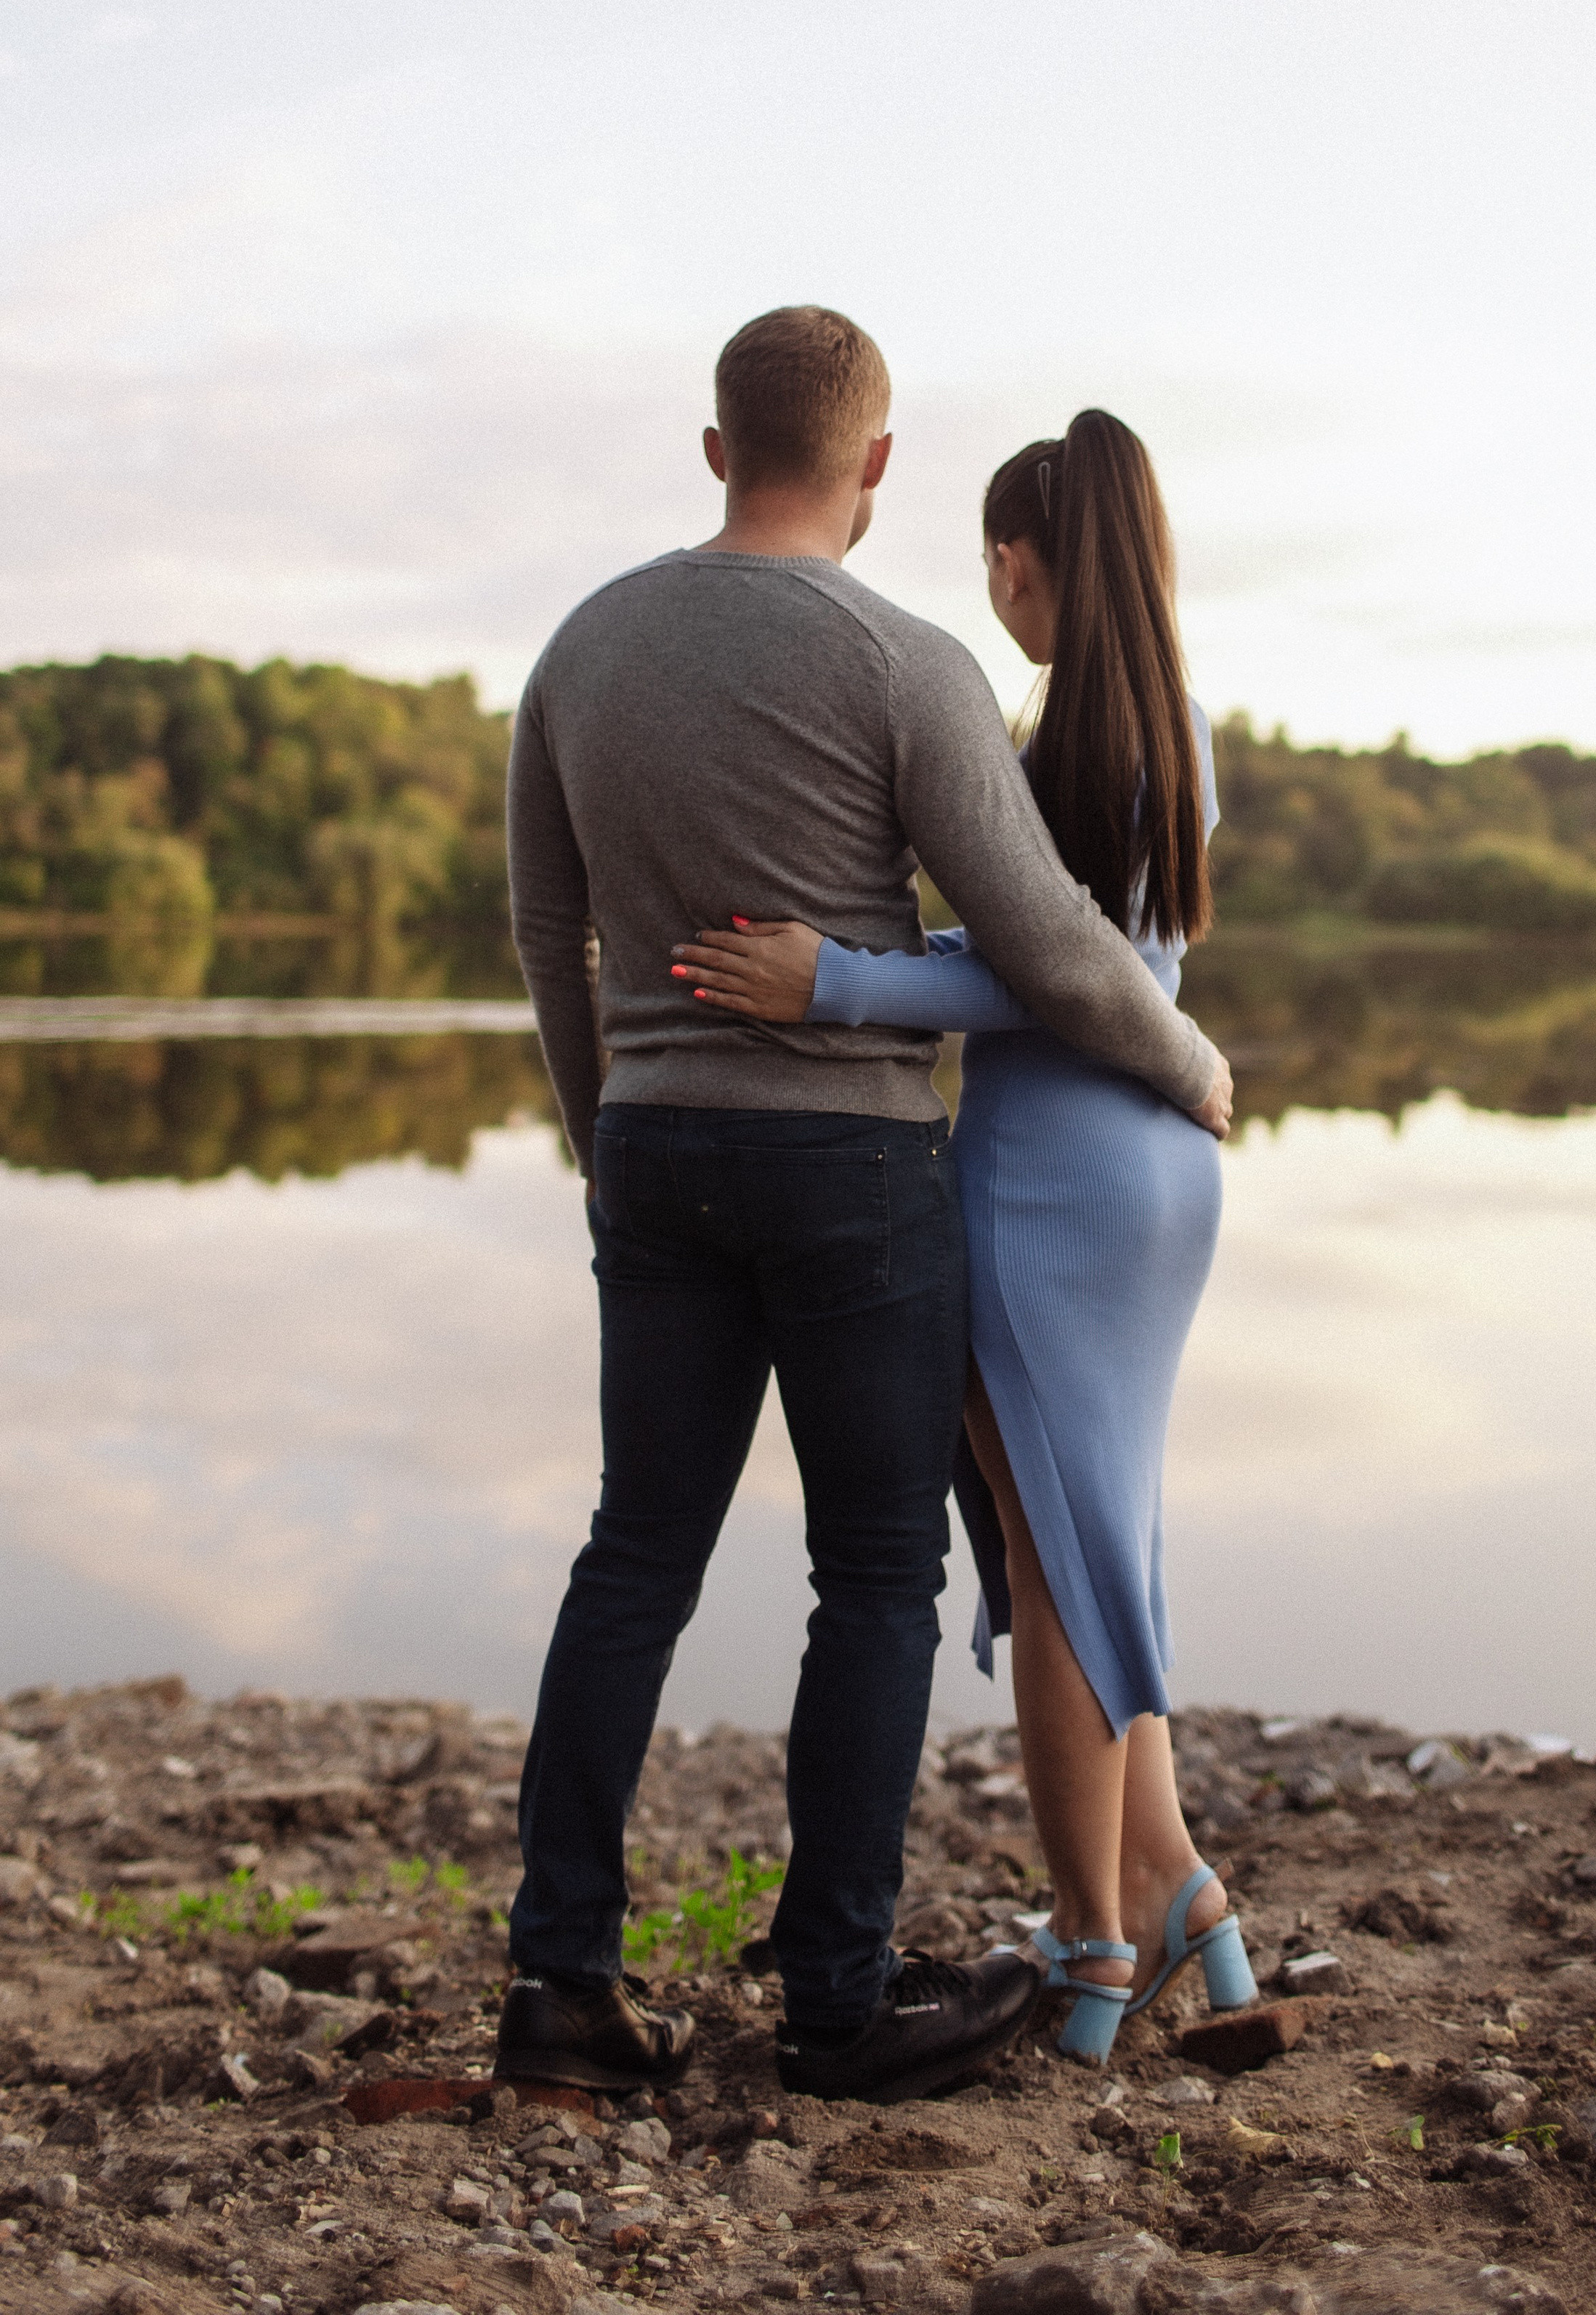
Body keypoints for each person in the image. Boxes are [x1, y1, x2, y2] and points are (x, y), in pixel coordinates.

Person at [498, 312, 1233, 2106]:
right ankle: (832, 1999)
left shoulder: (578, 649)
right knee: (878, 1573)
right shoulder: (908, 664)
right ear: (880, 467)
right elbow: (1056, 942)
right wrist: (1186, 1062)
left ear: (712, 446)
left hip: (661, 1147)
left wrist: (614, 1136)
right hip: (843, 1166)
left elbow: (547, 935)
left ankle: (559, 1986)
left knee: (633, 1558)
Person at [675, 408, 1257, 2066]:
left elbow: (1053, 979)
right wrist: (899, 943)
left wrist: (837, 980)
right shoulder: (1176, 729)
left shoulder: (1055, 734)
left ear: (1020, 561)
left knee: (1055, 1581)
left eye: (989, 563)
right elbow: (1089, 958)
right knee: (1093, 1556)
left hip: (1049, 1182)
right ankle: (1183, 1903)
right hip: (1153, 1179)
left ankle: (1089, 1951)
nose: (987, 590)